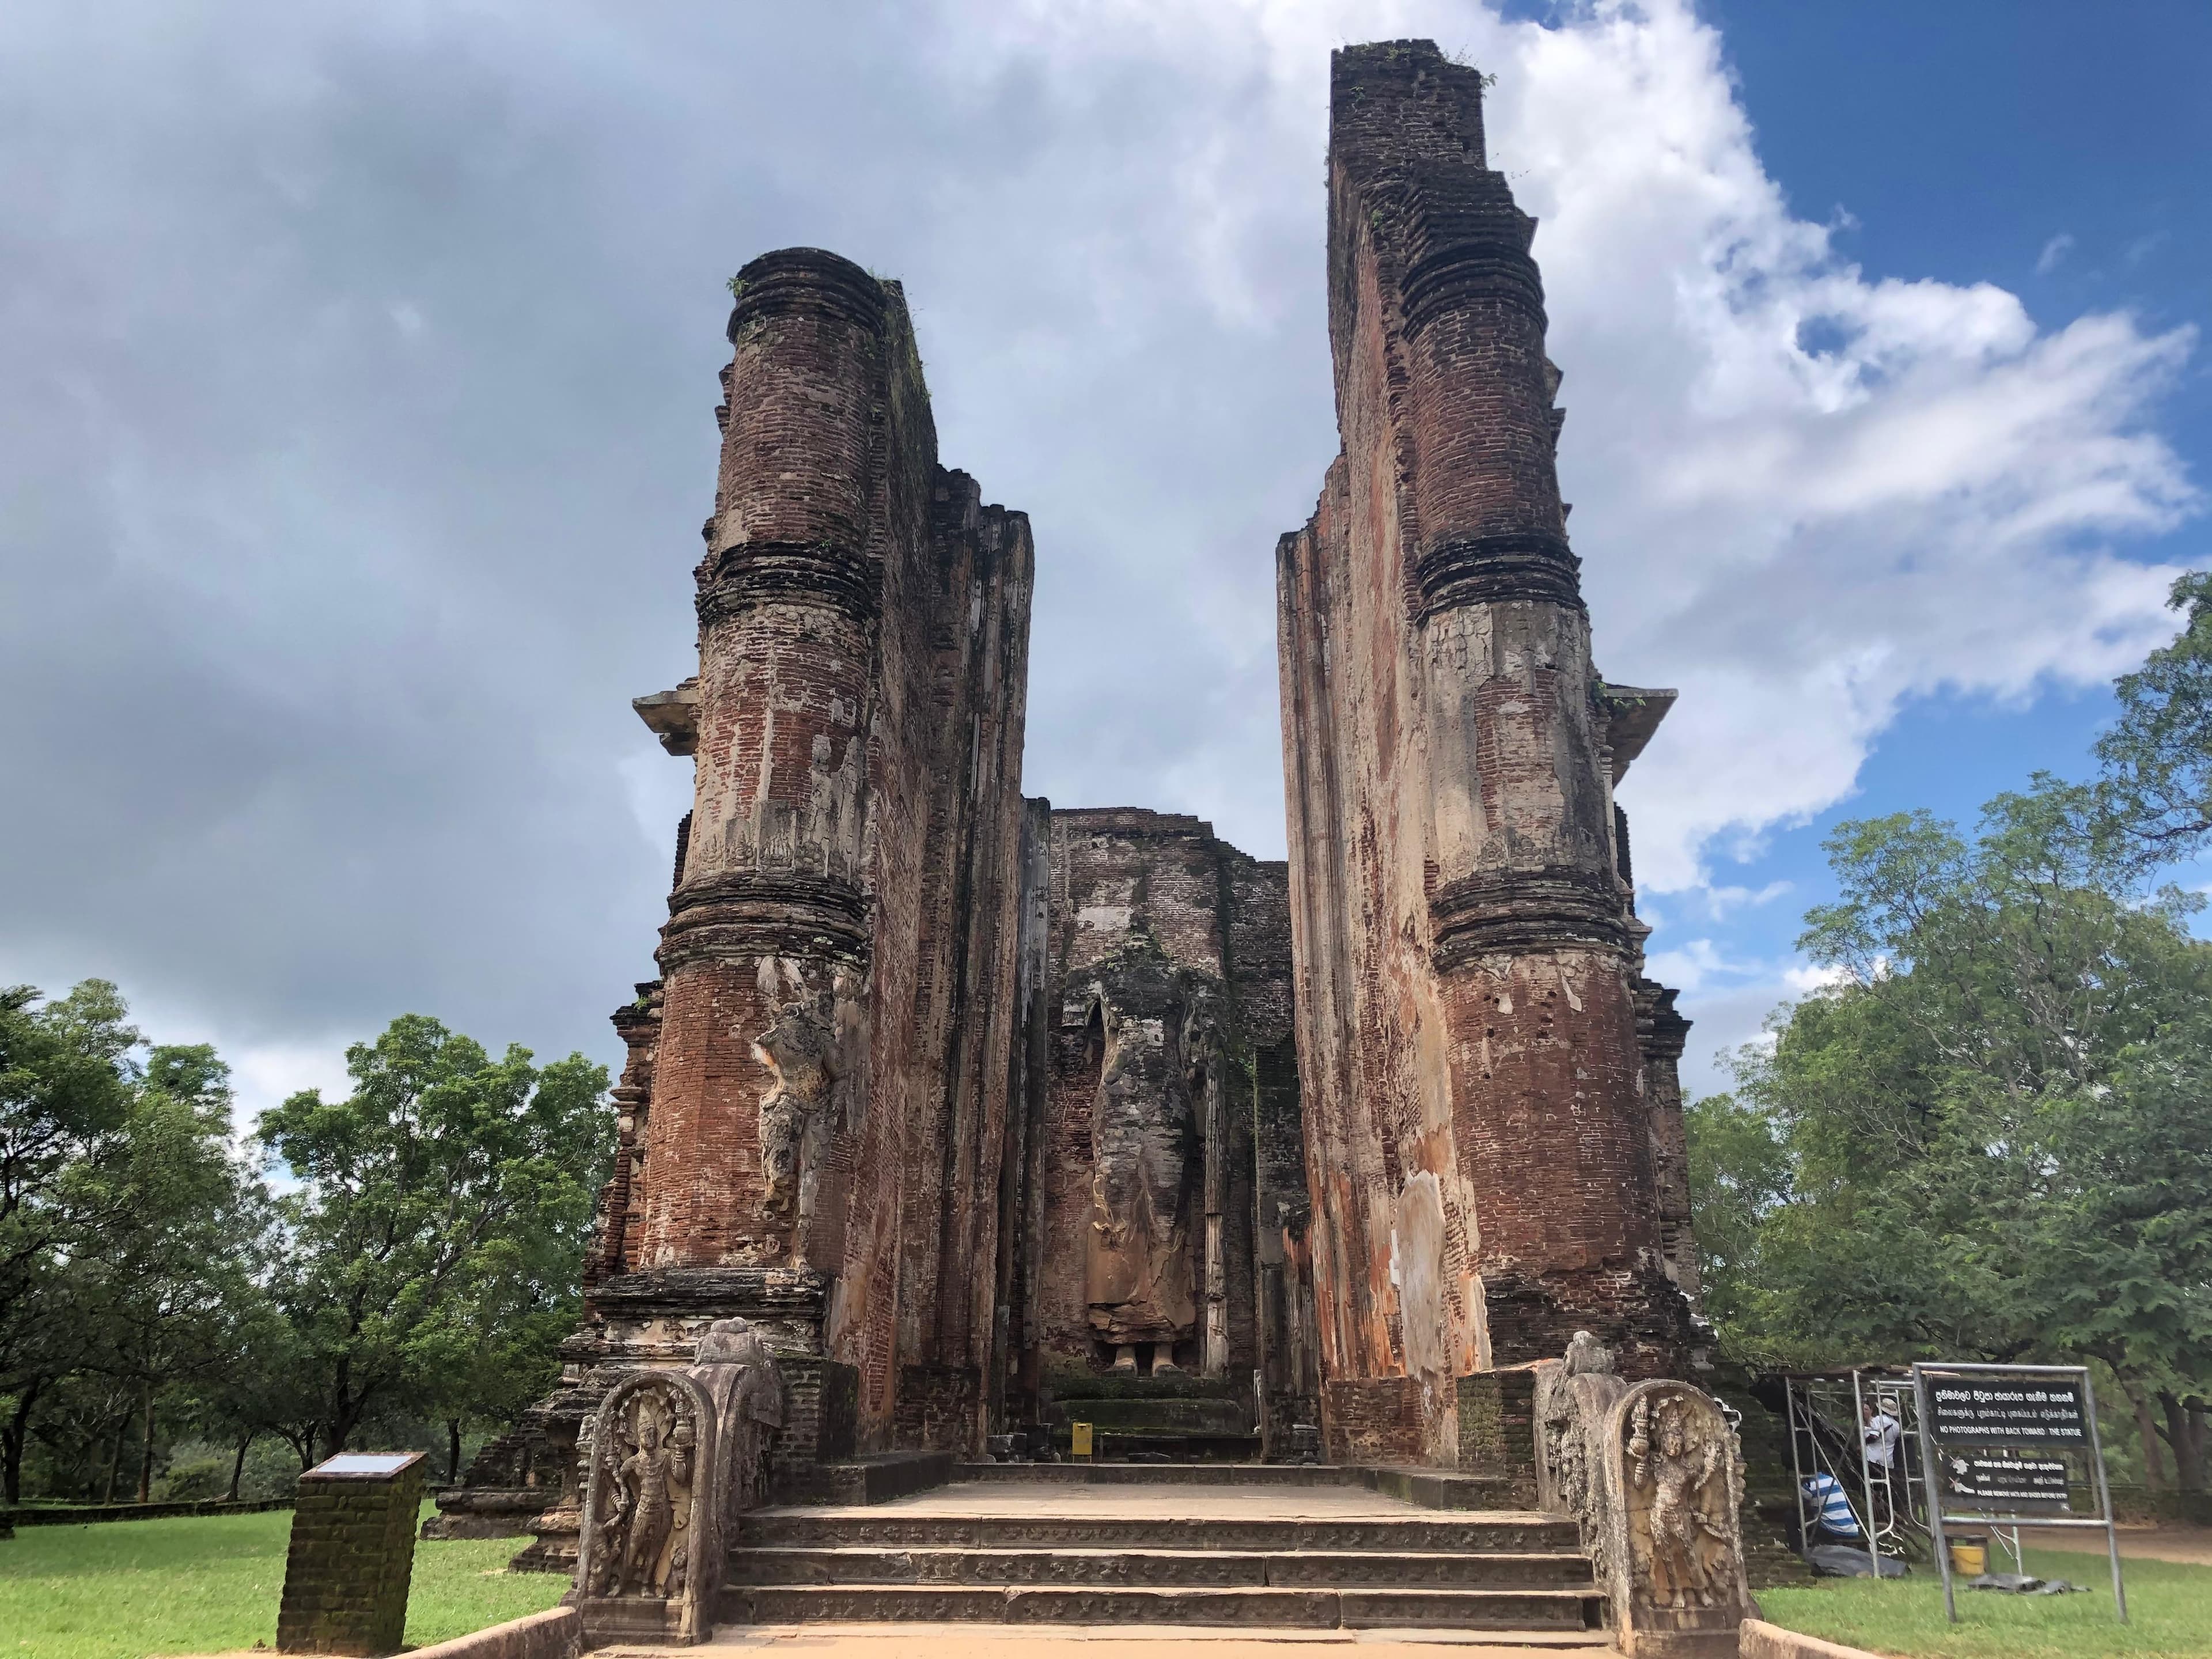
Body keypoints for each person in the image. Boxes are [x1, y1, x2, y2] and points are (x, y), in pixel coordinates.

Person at [1862, 1399, 1903, 1527]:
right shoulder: (1897, 1426)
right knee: (1882, 1490)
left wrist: (1862, 1444)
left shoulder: (1879, 1420)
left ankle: (1875, 1516)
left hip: (1873, 1459)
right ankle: (1885, 1517)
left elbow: (1873, 1436)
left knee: (1870, 1489)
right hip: (1887, 1462)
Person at [1803, 1469, 1862, 1542]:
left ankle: (1801, 1548)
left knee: (1801, 1522)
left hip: (1833, 1530)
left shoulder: (1809, 1485)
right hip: (1852, 1530)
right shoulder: (1833, 1480)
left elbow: (1798, 1506)